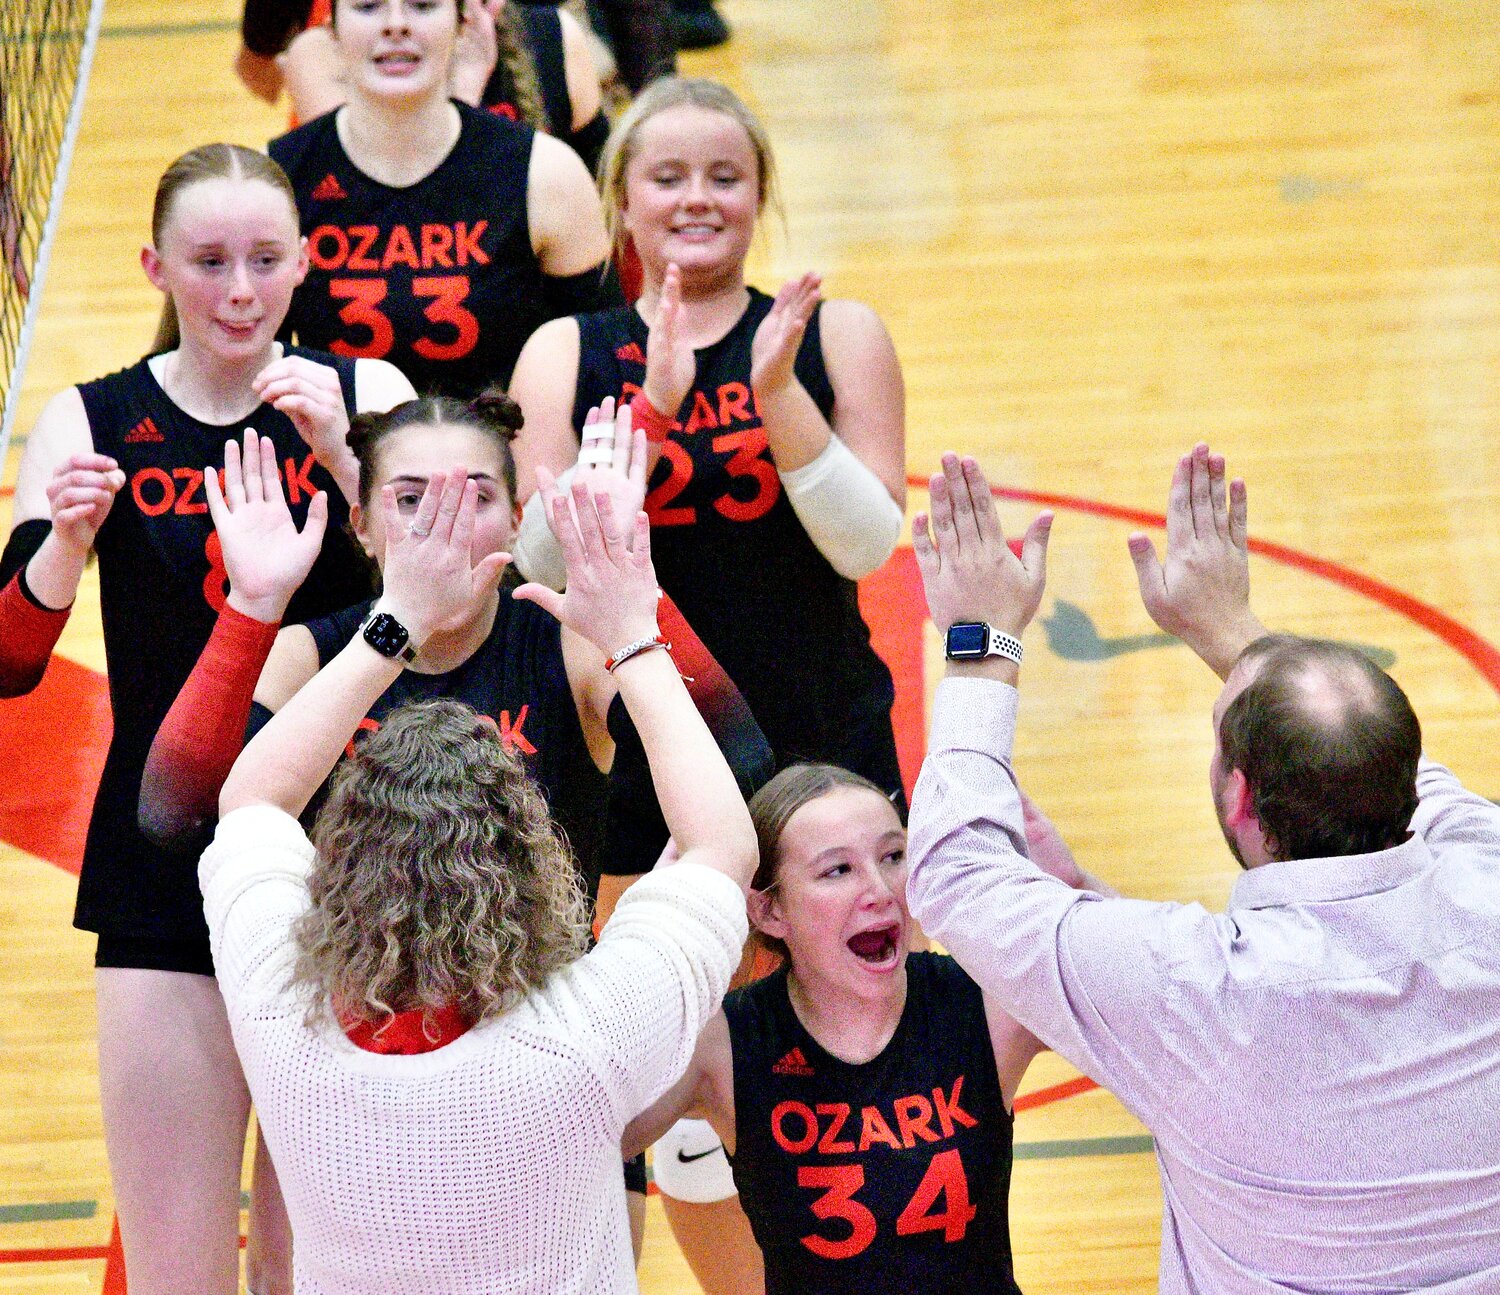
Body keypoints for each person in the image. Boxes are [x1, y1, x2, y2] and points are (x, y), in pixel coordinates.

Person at [905, 445, 1500, 1293]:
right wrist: (1234, 633)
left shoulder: (1193, 992)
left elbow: (954, 871)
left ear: (1240, 803)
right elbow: (1379, 761)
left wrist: (982, 638)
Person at [0, 142, 413, 1295]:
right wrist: (64, 549)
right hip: (161, 857)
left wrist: (343, 450)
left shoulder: (366, 393)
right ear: (156, 267)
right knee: (179, 1270)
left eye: (266, 260)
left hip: (350, 862)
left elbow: (442, 591)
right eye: (210, 261)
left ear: (305, 262)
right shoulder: (91, 421)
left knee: (322, 1269)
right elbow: (9, 662)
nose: (240, 290)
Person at [200, 466, 757, 1294]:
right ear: (526, 862)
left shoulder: (279, 1006)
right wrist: (634, 636)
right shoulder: (583, 1033)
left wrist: (395, 622)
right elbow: (721, 842)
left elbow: (252, 796)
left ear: (343, 855)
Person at [508, 76, 907, 803]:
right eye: (667, 178)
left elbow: (866, 547)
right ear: (622, 202)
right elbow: (539, 563)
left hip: (821, 723)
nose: (697, 197)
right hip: (635, 738)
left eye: (725, 177)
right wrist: (653, 410)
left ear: (759, 197)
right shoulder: (562, 350)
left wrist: (779, 395)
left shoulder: (838, 333)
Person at [623, 762, 1110, 1295]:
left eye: (893, 856)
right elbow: (579, 1131)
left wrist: (1082, 894)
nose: (879, 889)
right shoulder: (727, 1043)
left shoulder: (980, 1002)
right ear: (769, 911)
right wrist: (647, 952)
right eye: (838, 870)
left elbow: (1191, 1003)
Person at [269, 0, 619, 400]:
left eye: (423, 5)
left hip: (505, 450)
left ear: (462, 22)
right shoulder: (280, 179)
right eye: (367, 7)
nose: (396, 25)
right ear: (331, 28)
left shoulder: (547, 172)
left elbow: (601, 369)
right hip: (336, 452)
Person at [271, 0, 610, 177]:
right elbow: (385, 210)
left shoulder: (553, 37)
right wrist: (463, 94)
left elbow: (606, 202)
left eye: (423, 4)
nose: (396, 25)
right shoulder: (325, 53)